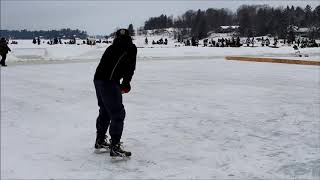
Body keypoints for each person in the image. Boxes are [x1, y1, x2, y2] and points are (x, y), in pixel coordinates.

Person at [93, 29, 137, 157]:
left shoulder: (110, 48)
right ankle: (115, 146)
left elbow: (102, 66)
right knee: (117, 113)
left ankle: (100, 140)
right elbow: (130, 67)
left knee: (105, 111)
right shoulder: (131, 48)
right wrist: (126, 83)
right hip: (109, 82)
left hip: (98, 80)